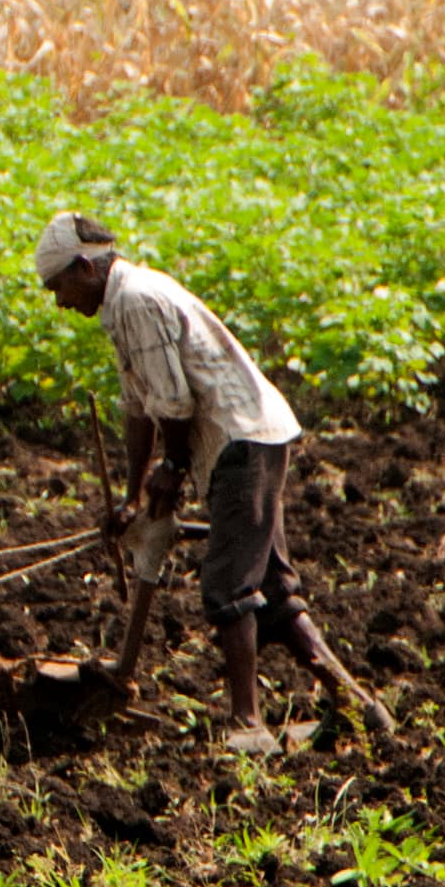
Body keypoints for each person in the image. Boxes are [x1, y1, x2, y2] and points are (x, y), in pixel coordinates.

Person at [33, 212, 390, 751]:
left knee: (229, 588)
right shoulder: (122, 304)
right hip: (248, 439)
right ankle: (358, 707)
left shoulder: (137, 300)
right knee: (273, 589)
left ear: (85, 267)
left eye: (57, 286)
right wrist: (132, 497)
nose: (59, 302)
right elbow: (139, 408)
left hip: (241, 441)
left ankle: (248, 726)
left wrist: (173, 469)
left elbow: (174, 402)